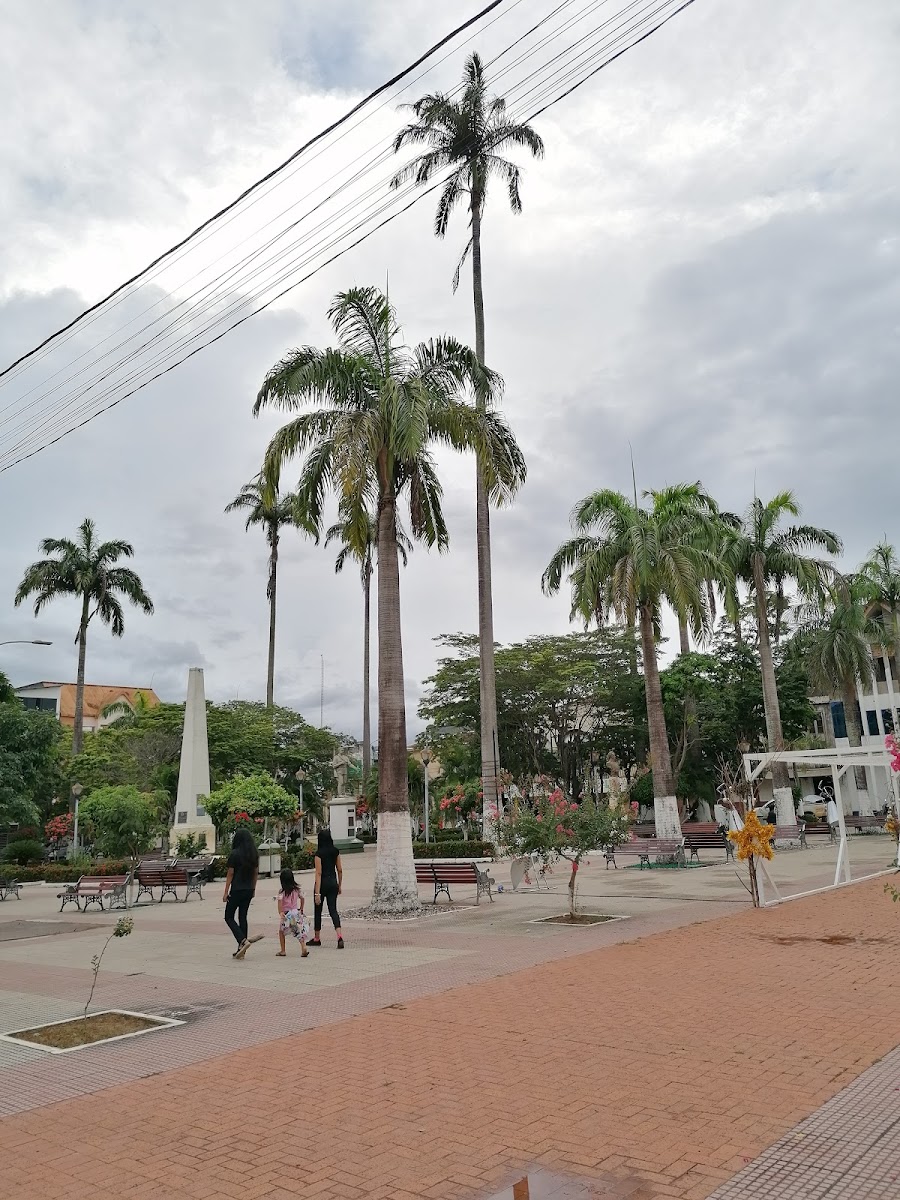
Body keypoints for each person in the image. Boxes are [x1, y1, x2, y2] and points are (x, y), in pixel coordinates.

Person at [223, 827, 263, 959]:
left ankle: (242, 941)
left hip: (237, 889)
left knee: (229, 916)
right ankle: (242, 950)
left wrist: (225, 891)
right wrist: (254, 889)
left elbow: (230, 873)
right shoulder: (254, 854)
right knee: (242, 917)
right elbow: (256, 873)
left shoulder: (235, 853)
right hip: (249, 889)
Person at [310, 828, 344, 949]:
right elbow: (339, 870)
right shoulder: (335, 851)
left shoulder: (319, 854)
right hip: (333, 882)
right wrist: (339, 885)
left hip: (322, 883)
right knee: (333, 910)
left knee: (318, 910)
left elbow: (318, 873)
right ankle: (339, 936)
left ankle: (317, 938)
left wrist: (317, 893)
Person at [275, 867, 309, 958]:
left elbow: (279, 903)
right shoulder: (296, 889)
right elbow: (302, 898)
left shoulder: (282, 891)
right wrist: (301, 908)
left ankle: (283, 950)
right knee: (298, 931)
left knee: (281, 932)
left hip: (287, 915)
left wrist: (280, 912)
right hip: (295, 913)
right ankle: (303, 947)